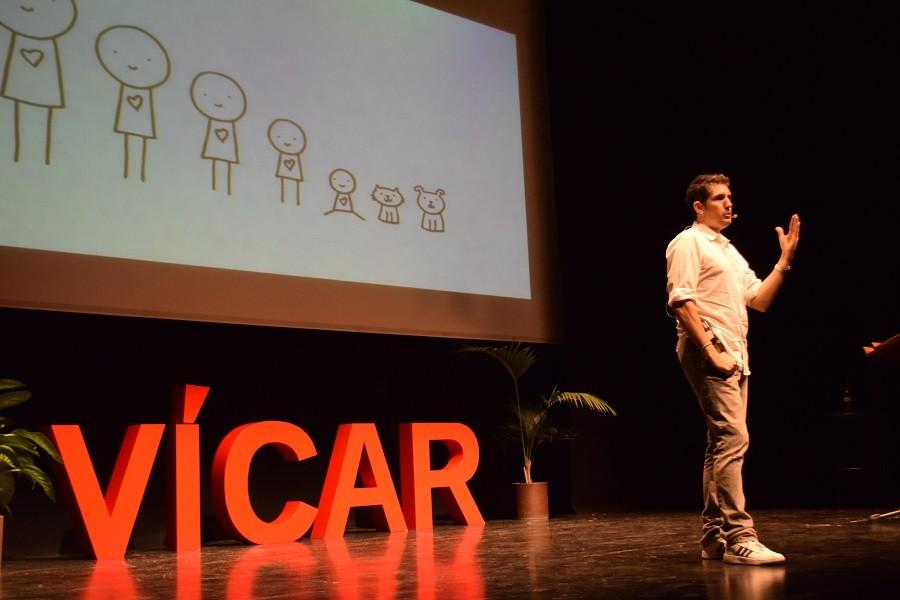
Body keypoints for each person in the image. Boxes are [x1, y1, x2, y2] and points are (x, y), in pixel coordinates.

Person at [665, 174, 800, 565]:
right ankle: (740, 535)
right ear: (698, 205)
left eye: (730, 198)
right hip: (709, 349)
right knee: (733, 437)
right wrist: (711, 351)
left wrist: (784, 262)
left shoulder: (726, 249)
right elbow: (681, 300)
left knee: (720, 442)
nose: (728, 204)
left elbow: (758, 300)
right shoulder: (688, 242)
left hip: (735, 354)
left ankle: (713, 537)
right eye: (720, 198)